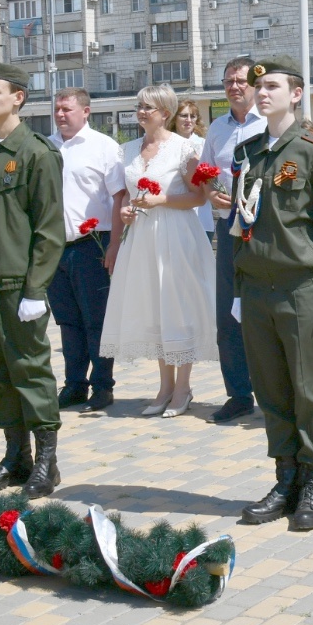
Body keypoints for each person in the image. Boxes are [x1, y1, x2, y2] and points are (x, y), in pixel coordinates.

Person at [229, 56, 313, 530]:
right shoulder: (250, 151)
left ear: (296, 94)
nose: (261, 93)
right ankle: (285, 480)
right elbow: (243, 222)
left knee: (308, 389)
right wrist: (238, 287)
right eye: (257, 87)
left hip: (300, 287)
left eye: (272, 87)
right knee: (271, 389)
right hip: (257, 287)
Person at [0, 62, 66, 498]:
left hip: (17, 285)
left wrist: (35, 290)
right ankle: (15, 458)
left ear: (18, 98)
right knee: (0, 374)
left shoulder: (37, 153)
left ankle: (46, 463)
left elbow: (50, 229)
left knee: (31, 372)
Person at [103, 84, 217, 418]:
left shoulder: (184, 148)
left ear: (165, 113)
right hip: (141, 237)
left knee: (177, 307)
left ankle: (183, 387)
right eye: (138, 106)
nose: (141, 112)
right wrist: (126, 213)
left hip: (176, 235)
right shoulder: (127, 150)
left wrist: (161, 200)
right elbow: (127, 195)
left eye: (147, 107)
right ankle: (165, 386)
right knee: (155, 307)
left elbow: (199, 197)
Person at [47, 87, 125, 414]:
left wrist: (115, 245)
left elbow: (119, 198)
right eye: (57, 109)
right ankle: (74, 384)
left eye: (67, 109)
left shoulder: (104, 147)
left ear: (86, 111)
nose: (60, 115)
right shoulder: (47, 147)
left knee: (97, 321)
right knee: (68, 322)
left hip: (92, 245)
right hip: (55, 247)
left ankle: (103, 386)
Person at [200, 57, 265, 422]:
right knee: (227, 315)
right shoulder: (217, 129)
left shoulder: (269, 122)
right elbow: (206, 173)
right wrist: (211, 192)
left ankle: (274, 392)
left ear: (256, 84)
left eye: (241, 80)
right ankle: (238, 394)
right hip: (228, 228)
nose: (234, 87)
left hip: (265, 229)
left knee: (265, 312)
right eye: (228, 81)